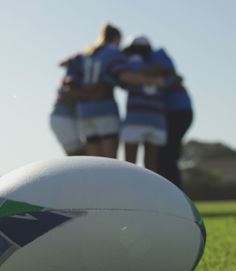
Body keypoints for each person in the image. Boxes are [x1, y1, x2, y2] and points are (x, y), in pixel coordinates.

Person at [66, 23, 165, 158]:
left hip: (84, 112)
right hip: (104, 110)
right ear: (117, 38)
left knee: (94, 162)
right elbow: (124, 76)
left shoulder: (88, 53)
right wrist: (155, 81)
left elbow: (69, 72)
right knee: (109, 162)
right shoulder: (112, 53)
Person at [149, 47, 194, 189]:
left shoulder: (157, 56)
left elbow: (165, 72)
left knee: (167, 157)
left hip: (175, 112)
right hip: (178, 112)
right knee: (167, 156)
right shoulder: (160, 59)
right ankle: (172, 192)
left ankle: (173, 192)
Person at [120, 36, 168, 173]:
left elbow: (123, 79)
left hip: (136, 118)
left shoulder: (130, 63)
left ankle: (129, 193)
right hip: (157, 119)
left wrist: (137, 76)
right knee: (151, 167)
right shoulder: (160, 64)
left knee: (129, 166)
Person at [50, 55, 110, 156]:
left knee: (84, 157)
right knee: (79, 156)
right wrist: (95, 94)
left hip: (66, 118)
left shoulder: (81, 72)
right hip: (62, 119)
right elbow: (70, 90)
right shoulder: (75, 74)